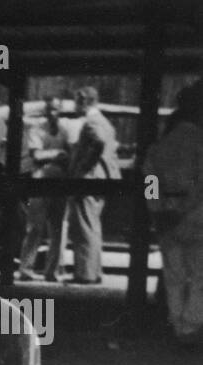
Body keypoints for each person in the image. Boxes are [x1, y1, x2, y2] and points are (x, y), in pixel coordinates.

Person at [144, 80, 203, 346]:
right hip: (196, 214)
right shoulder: (199, 143)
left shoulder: (161, 145)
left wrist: (159, 208)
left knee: (174, 273)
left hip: (165, 215)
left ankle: (178, 323)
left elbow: (150, 179)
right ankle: (191, 326)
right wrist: (186, 207)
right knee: (199, 274)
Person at [66, 86, 121, 284]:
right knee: (93, 226)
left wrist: (83, 167)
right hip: (103, 179)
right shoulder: (106, 122)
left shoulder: (92, 122)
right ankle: (94, 271)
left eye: (76, 101)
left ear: (83, 100)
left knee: (84, 228)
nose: (74, 105)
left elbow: (98, 142)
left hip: (88, 179)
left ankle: (85, 274)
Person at [18, 97, 70, 281]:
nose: (52, 113)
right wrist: (58, 154)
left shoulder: (64, 130)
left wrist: (59, 156)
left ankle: (53, 270)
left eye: (56, 109)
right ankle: (26, 268)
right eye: (49, 109)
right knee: (35, 227)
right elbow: (37, 155)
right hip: (40, 181)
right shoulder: (37, 129)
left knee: (59, 228)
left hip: (60, 183)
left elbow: (71, 154)